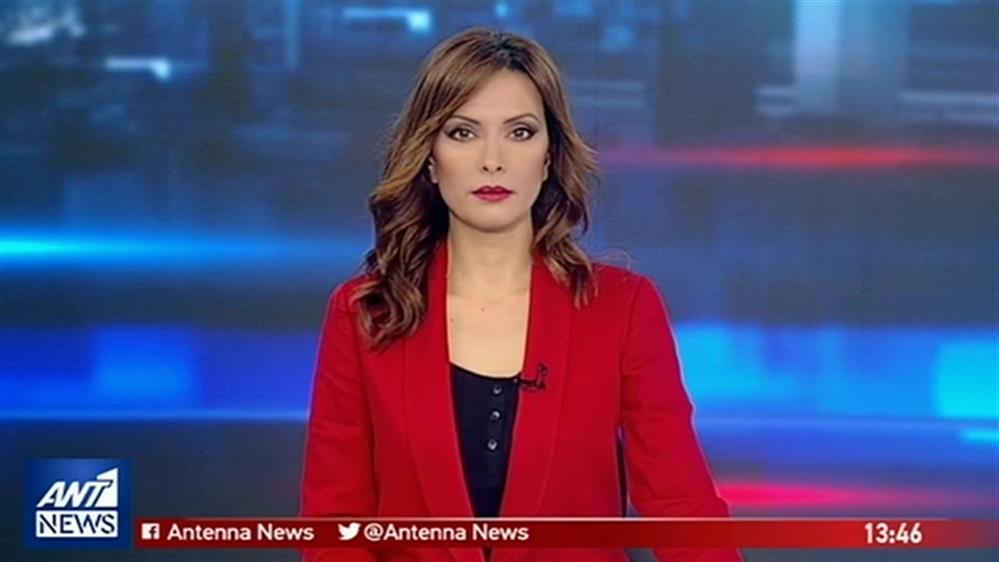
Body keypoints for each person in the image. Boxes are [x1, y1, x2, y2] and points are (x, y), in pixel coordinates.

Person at [300, 27, 742, 562]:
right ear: (430, 157)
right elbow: (336, 528)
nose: (493, 160)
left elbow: (681, 508)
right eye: (463, 133)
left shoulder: (621, 309)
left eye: (520, 132)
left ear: (549, 155)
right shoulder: (366, 314)